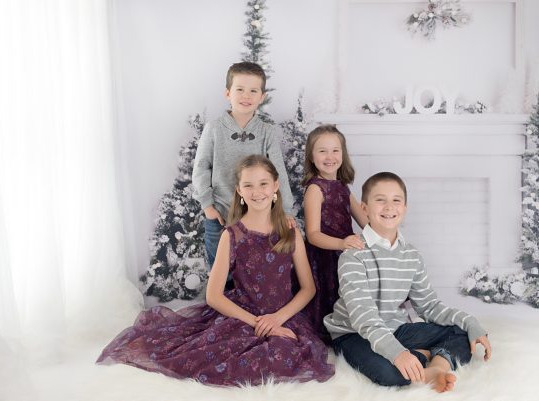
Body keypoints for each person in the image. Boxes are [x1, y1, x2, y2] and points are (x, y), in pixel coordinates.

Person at [97, 155, 334, 386]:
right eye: (248, 185)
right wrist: (257, 323)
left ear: (275, 186)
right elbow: (214, 296)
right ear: (239, 191)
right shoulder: (232, 235)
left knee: (290, 354)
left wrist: (277, 320)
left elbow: (308, 288)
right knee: (242, 359)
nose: (257, 191)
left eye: (263, 184)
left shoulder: (290, 232)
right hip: (244, 315)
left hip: (284, 314)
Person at [324, 172, 491, 393]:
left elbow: (429, 306)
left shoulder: (411, 255)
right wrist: (397, 353)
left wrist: (470, 323)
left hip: (396, 328)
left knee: (461, 333)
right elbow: (363, 317)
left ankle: (436, 367)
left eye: (396, 200)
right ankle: (425, 356)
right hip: (353, 333)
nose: (389, 207)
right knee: (388, 372)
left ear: (405, 208)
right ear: (364, 208)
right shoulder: (353, 254)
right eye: (380, 200)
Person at [192, 61, 293, 269]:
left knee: (251, 269)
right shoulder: (214, 129)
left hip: (258, 215)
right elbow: (201, 167)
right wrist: (207, 206)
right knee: (221, 271)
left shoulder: (266, 132)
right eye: (240, 89)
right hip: (220, 214)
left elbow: (278, 171)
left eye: (253, 91)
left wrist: (286, 210)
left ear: (262, 97)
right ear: (228, 93)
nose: (246, 96)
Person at [300, 125, 367, 342]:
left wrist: (385, 232)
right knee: (328, 301)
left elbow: (364, 220)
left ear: (343, 154)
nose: (330, 157)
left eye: (335, 150)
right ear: (311, 156)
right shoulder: (315, 189)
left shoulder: (342, 186)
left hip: (345, 252)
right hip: (324, 256)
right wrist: (342, 243)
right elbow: (312, 234)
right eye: (322, 151)